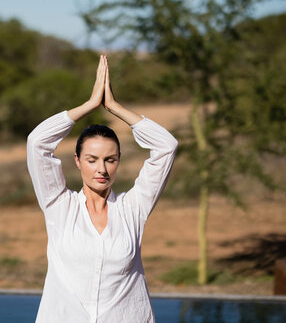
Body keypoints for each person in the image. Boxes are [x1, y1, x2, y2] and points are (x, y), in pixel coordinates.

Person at [26, 55, 178, 322]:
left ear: (118, 160)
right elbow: (37, 142)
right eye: (92, 160)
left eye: (110, 159)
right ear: (77, 161)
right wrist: (89, 105)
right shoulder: (58, 206)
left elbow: (167, 146)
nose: (102, 170)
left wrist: (115, 107)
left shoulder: (133, 209)